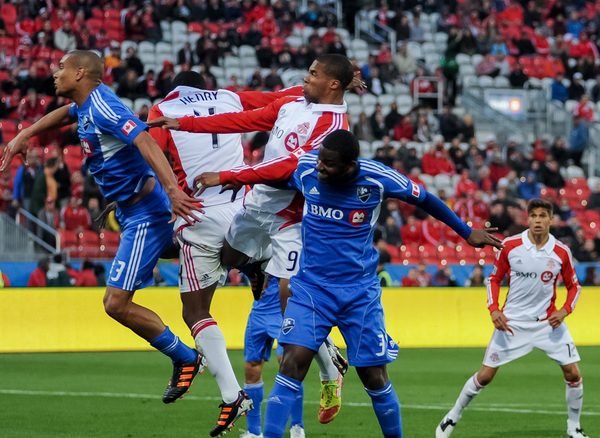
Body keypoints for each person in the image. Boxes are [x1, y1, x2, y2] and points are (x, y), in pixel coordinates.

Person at [204, 129, 502, 437]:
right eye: (320, 160)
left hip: (359, 293)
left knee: (373, 376)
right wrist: (231, 177)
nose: (320, 167)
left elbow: (425, 199)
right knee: (292, 363)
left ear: (349, 165)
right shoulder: (307, 168)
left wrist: (466, 232)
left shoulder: (377, 179)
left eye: (328, 164)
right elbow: (271, 174)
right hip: (311, 289)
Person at [149, 54, 360, 424]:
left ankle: (330, 369)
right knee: (230, 257)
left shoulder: (332, 128)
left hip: (290, 216)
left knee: (287, 303)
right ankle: (256, 268)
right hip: (254, 204)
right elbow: (243, 120)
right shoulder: (294, 101)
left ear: (331, 85)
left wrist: (229, 175)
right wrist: (183, 123)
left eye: (312, 73)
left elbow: (286, 167)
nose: (305, 77)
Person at [0, 50, 202, 404]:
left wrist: (173, 191)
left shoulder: (105, 108)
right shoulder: (87, 104)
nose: (54, 73)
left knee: (115, 303)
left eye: (61, 68)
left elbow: (144, 139)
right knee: (172, 256)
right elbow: (67, 113)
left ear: (80, 73)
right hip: (129, 208)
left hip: (146, 213)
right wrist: (26, 133)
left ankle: (185, 357)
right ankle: (206, 250)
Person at [436, 199, 587, 438]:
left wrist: (565, 310)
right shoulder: (510, 245)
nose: (538, 220)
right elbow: (494, 280)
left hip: (548, 324)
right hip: (512, 324)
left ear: (551, 220)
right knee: (485, 376)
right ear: (528, 219)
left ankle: (574, 429)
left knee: (573, 374)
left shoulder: (561, 252)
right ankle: (451, 417)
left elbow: (574, 287)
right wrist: (494, 309)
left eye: (543, 216)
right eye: (534, 216)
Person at [242, 276, 305, 438]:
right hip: (259, 311)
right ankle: (254, 432)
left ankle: (297, 427)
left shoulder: (290, 251)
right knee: (251, 367)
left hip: (284, 310)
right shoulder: (255, 251)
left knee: (288, 364)